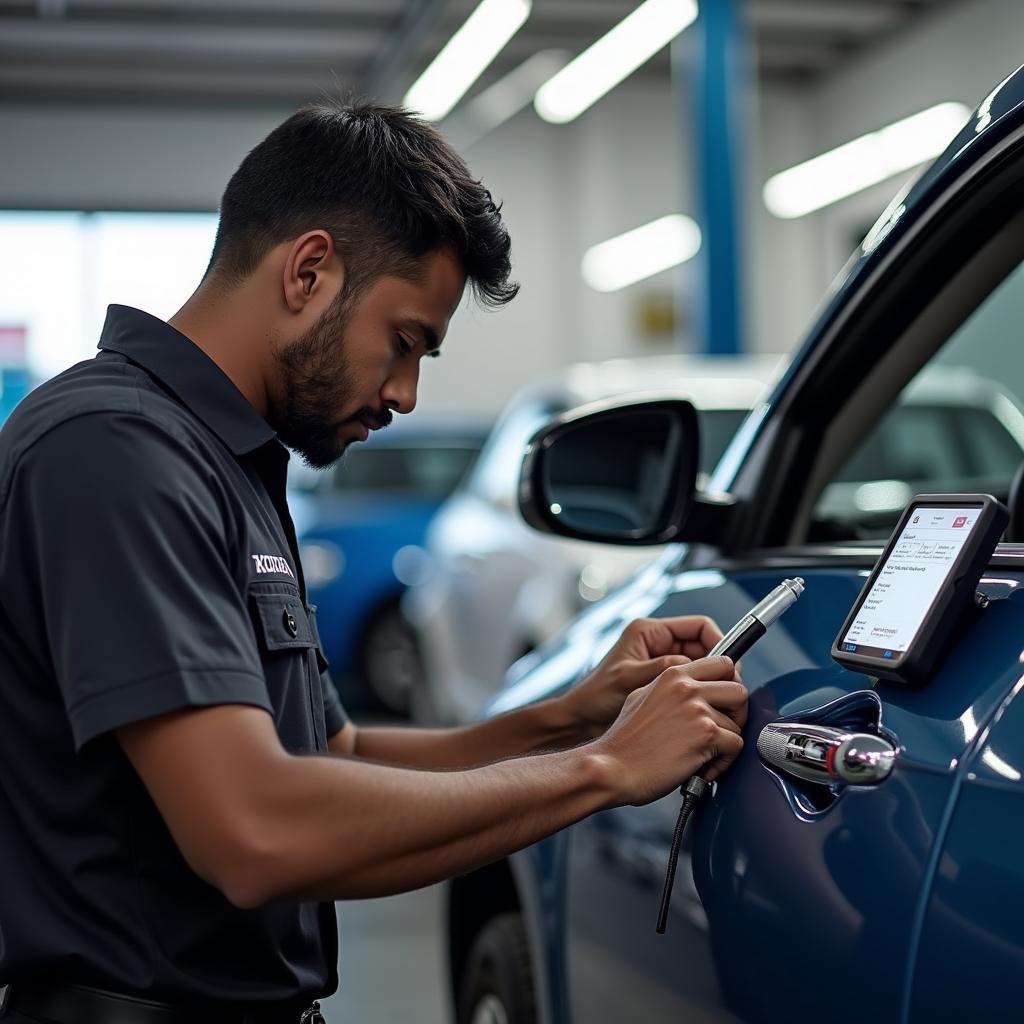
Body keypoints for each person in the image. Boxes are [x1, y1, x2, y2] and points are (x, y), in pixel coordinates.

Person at [0, 100, 746, 1023]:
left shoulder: (227, 459)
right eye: (403, 343)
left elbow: (337, 755)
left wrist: (573, 719)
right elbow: (255, 829)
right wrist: (606, 773)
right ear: (309, 270)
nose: (405, 392)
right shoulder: (114, 452)